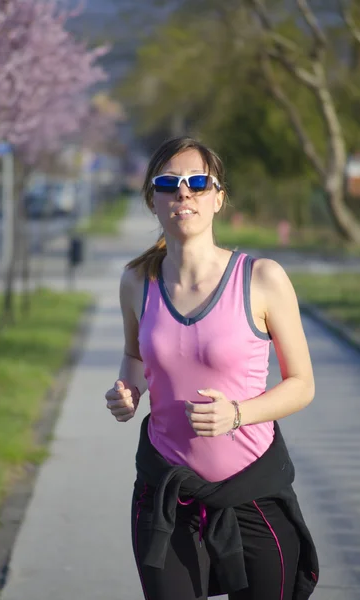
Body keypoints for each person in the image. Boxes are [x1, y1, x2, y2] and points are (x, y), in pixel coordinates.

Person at [105, 136, 319, 600]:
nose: (184, 193)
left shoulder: (262, 278)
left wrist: (239, 414)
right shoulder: (136, 282)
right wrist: (128, 390)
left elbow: (302, 385)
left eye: (198, 182)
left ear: (218, 198)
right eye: (168, 183)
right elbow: (136, 356)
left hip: (252, 494)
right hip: (166, 495)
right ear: (153, 200)